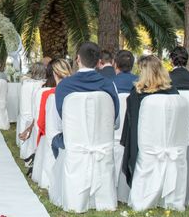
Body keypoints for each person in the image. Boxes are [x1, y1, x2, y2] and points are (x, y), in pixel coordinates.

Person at [52, 42, 120, 157]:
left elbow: (59, 125)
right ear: (99, 62)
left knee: (56, 141)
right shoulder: (109, 85)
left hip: (74, 150)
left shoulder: (63, 86)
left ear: (78, 59)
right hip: (103, 150)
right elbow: (116, 123)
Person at [120, 55, 178, 187]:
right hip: (169, 143)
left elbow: (132, 127)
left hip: (144, 145)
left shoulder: (137, 95)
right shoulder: (173, 92)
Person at [36, 59, 71, 147]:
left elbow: (41, 123)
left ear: (54, 73)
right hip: (74, 138)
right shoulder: (76, 92)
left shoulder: (47, 94)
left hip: (52, 142)